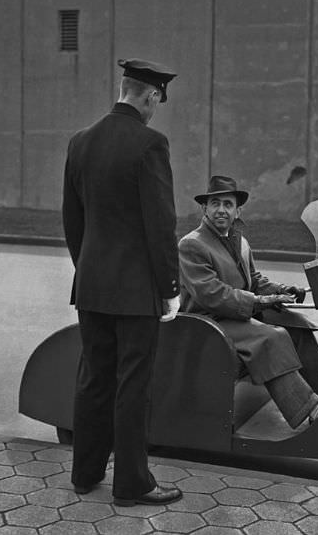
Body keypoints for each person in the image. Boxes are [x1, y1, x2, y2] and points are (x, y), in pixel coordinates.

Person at [62, 58, 183, 507]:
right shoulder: (150, 144)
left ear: (122, 88)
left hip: (91, 285)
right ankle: (133, 484)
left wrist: (89, 268)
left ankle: (84, 474)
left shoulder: (80, 142)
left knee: (94, 378)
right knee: (133, 386)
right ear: (150, 95)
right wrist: (169, 287)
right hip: (136, 292)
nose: (156, 110)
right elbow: (160, 224)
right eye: (157, 102)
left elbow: (73, 222)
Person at [178, 175, 318, 429]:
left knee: (296, 325)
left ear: (238, 211)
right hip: (208, 324)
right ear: (204, 208)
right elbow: (212, 294)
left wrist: (282, 290)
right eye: (215, 203)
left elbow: (254, 280)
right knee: (270, 338)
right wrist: (260, 302)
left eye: (228, 204)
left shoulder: (240, 241)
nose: (221, 210)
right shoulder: (192, 245)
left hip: (236, 317)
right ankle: (308, 411)